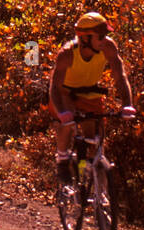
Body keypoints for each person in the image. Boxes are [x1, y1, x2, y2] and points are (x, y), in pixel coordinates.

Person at [49, 11, 135, 184]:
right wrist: (62, 112)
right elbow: (55, 87)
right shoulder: (67, 54)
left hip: (89, 93)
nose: (104, 40)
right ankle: (63, 160)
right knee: (67, 122)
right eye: (100, 36)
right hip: (65, 92)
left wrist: (127, 104)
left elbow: (120, 77)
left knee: (95, 139)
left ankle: (89, 178)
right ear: (86, 38)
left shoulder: (108, 47)